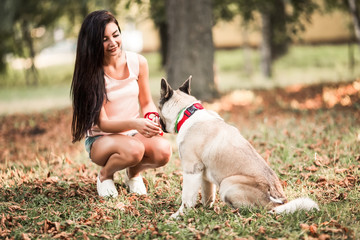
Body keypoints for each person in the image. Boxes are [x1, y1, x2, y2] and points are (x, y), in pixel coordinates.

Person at [70, 10, 172, 198]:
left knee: (163, 151)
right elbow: (103, 123)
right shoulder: (92, 75)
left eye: (115, 35)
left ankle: (133, 174)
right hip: (101, 140)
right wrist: (135, 123)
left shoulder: (138, 62)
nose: (113, 43)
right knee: (134, 149)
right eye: (104, 39)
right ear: (93, 42)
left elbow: (146, 101)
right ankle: (105, 175)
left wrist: (151, 118)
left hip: (131, 134)